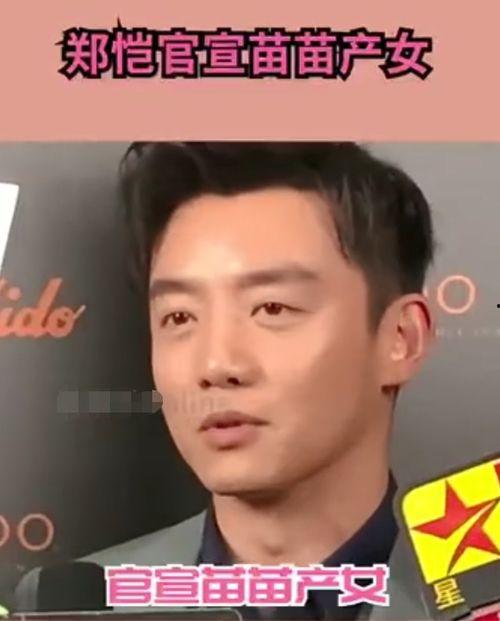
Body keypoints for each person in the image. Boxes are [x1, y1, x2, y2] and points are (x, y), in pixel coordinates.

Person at [16, 142, 436, 620]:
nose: (216, 364)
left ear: (402, 339)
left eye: (272, 308)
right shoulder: (85, 606)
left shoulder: (481, 597)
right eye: (179, 317)